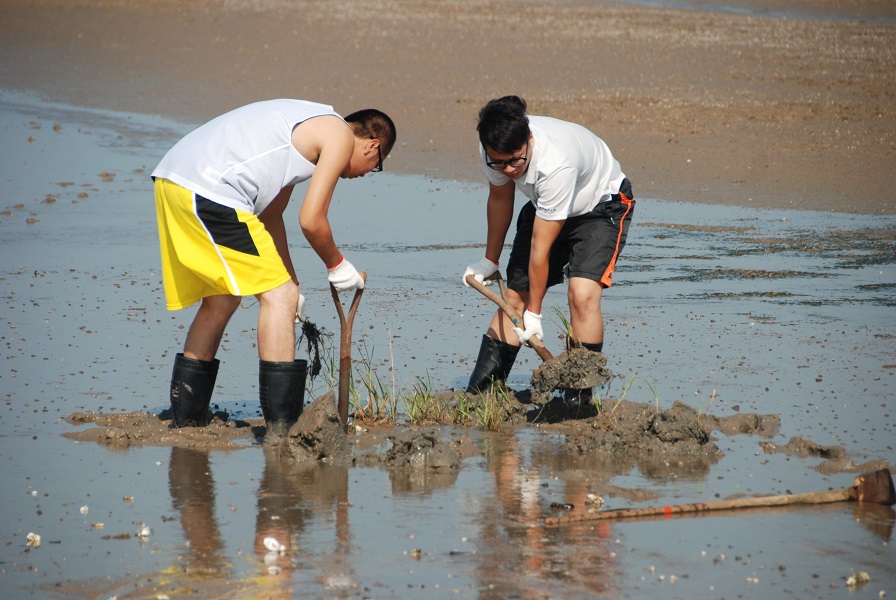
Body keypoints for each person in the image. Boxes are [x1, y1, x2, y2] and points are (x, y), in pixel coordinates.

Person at [152, 99, 396, 438]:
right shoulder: (339, 134)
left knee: (224, 299)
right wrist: (337, 265)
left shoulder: (310, 131)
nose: (365, 174)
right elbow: (311, 220)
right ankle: (283, 431)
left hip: (176, 179)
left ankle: (187, 420)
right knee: (278, 298)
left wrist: (292, 282)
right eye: (375, 167)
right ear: (373, 146)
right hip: (210, 188)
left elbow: (270, 217)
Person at [463, 95, 634, 403]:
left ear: (529, 140)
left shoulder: (556, 161)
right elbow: (501, 201)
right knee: (514, 296)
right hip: (545, 204)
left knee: (582, 293)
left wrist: (535, 314)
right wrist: (490, 260)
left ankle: (578, 395)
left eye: (517, 160)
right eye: (499, 162)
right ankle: (482, 395)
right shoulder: (492, 148)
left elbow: (540, 250)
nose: (509, 169)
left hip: (599, 206)